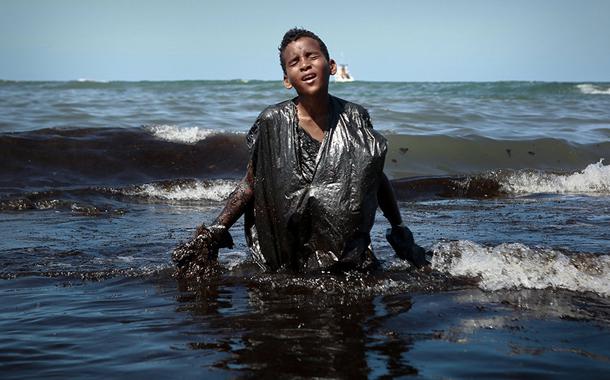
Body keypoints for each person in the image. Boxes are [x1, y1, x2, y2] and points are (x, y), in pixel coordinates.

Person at [175, 28, 430, 274]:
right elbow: (252, 183)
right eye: (294, 62)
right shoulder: (272, 121)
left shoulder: (355, 117)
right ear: (287, 80)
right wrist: (216, 230)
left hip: (347, 255)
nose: (305, 65)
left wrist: (399, 227)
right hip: (290, 254)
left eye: (312, 56)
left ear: (331, 66)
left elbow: (374, 176)